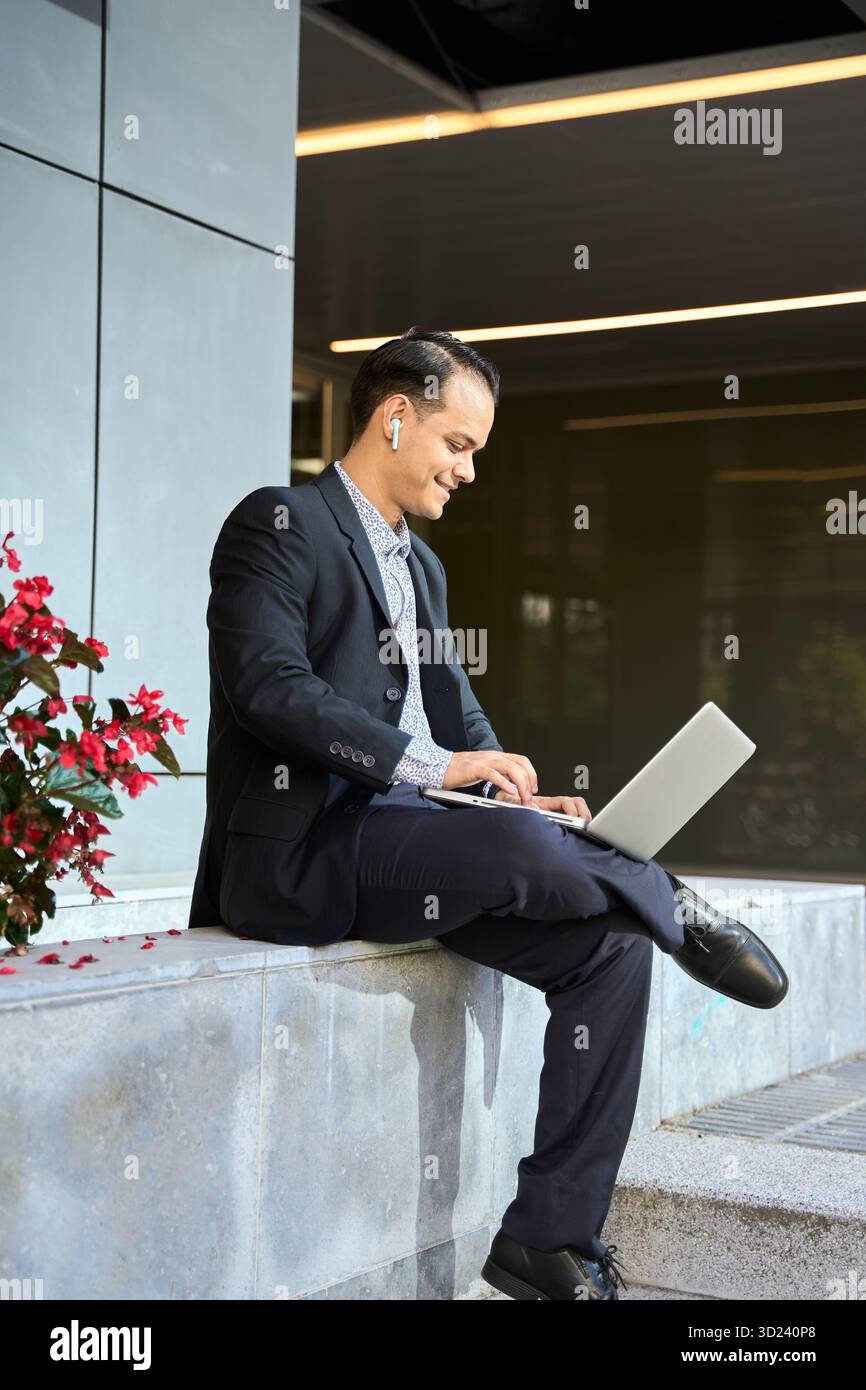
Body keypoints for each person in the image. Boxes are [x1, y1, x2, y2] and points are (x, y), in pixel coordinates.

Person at [188, 326, 788, 1301]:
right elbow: (268, 687)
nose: (468, 470)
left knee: (610, 947)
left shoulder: (419, 568)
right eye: (457, 444)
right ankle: (665, 894)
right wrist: (432, 766)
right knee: (547, 860)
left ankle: (545, 1240)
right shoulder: (280, 523)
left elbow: (451, 713)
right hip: (313, 845)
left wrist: (514, 783)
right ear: (393, 418)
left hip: (421, 844)